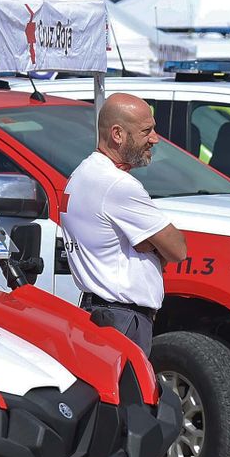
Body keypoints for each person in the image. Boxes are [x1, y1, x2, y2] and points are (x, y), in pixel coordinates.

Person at [61, 93, 186, 354]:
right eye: (146, 131)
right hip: (123, 318)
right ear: (117, 134)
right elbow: (177, 250)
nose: (155, 139)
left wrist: (148, 244)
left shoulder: (83, 173)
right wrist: (154, 246)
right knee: (130, 395)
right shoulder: (118, 185)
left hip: (103, 313)